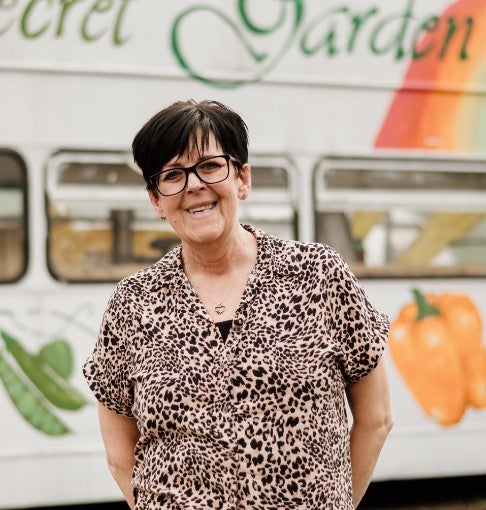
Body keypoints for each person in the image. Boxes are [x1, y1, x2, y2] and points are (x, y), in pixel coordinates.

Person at [83, 99, 392, 509]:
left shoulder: (318, 274)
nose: (194, 185)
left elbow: (376, 419)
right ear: (156, 200)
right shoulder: (133, 303)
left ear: (243, 178)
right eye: (173, 174)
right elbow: (120, 456)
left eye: (210, 166)